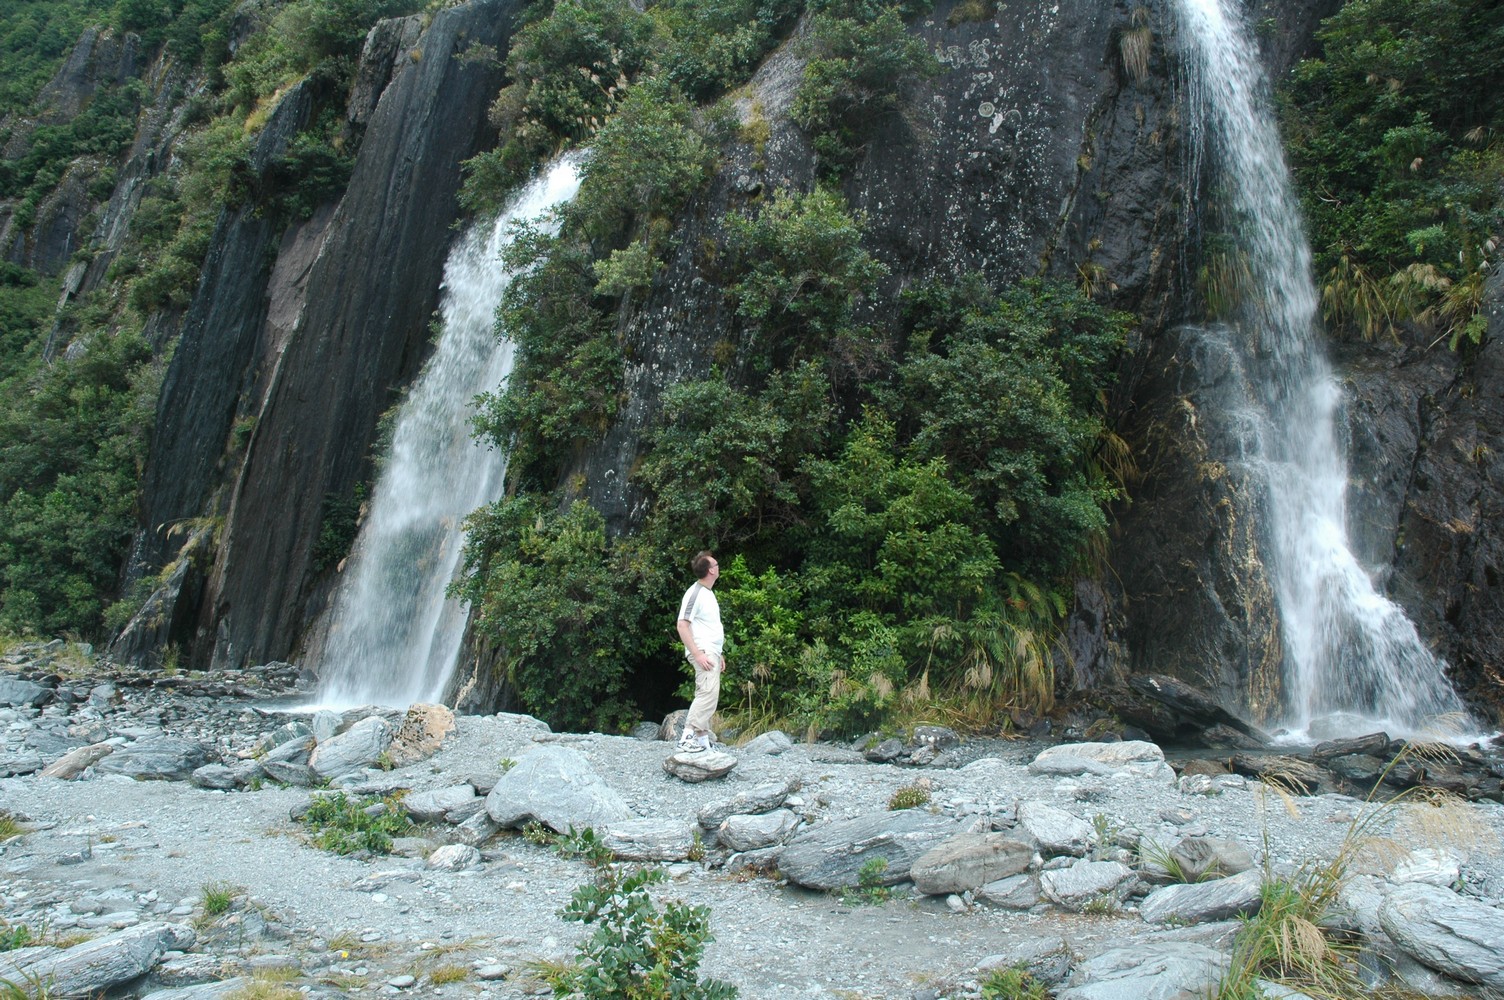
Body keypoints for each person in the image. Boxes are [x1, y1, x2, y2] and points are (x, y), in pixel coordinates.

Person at [675, 551, 723, 754]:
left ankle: (702, 742)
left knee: (708, 693)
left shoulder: (708, 593)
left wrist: (719, 654)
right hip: (702, 651)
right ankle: (687, 737)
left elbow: (709, 628)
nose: (718, 566)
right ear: (711, 570)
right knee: (707, 694)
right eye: (716, 564)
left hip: (711, 650)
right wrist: (698, 654)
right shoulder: (695, 593)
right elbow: (682, 625)